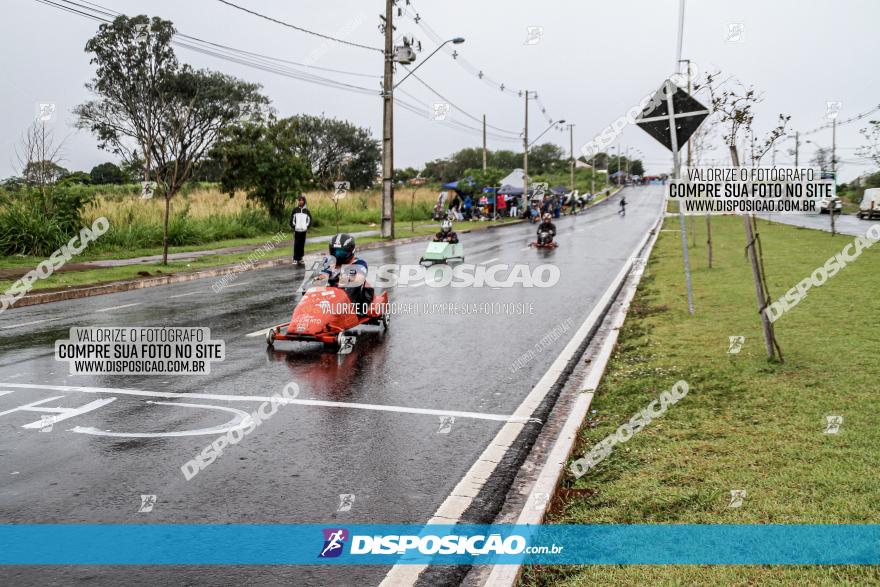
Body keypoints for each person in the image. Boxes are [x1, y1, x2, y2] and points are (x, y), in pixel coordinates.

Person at [320, 233, 373, 314]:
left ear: (351, 251)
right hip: (332, 295)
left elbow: (358, 279)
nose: (338, 256)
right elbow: (323, 276)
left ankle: (345, 310)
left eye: (341, 253)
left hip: (354, 299)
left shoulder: (360, 263)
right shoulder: (330, 262)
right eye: (335, 252)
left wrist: (341, 278)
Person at [289, 195, 312, 265]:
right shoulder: (295, 210)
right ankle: (295, 258)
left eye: (302, 200)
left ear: (304, 201)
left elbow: (309, 220)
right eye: (300, 200)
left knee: (302, 245)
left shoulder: (307, 211)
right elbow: (291, 220)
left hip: (304, 231)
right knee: (296, 244)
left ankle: (301, 258)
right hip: (297, 230)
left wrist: (306, 227)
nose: (301, 201)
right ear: (298, 201)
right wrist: (294, 227)